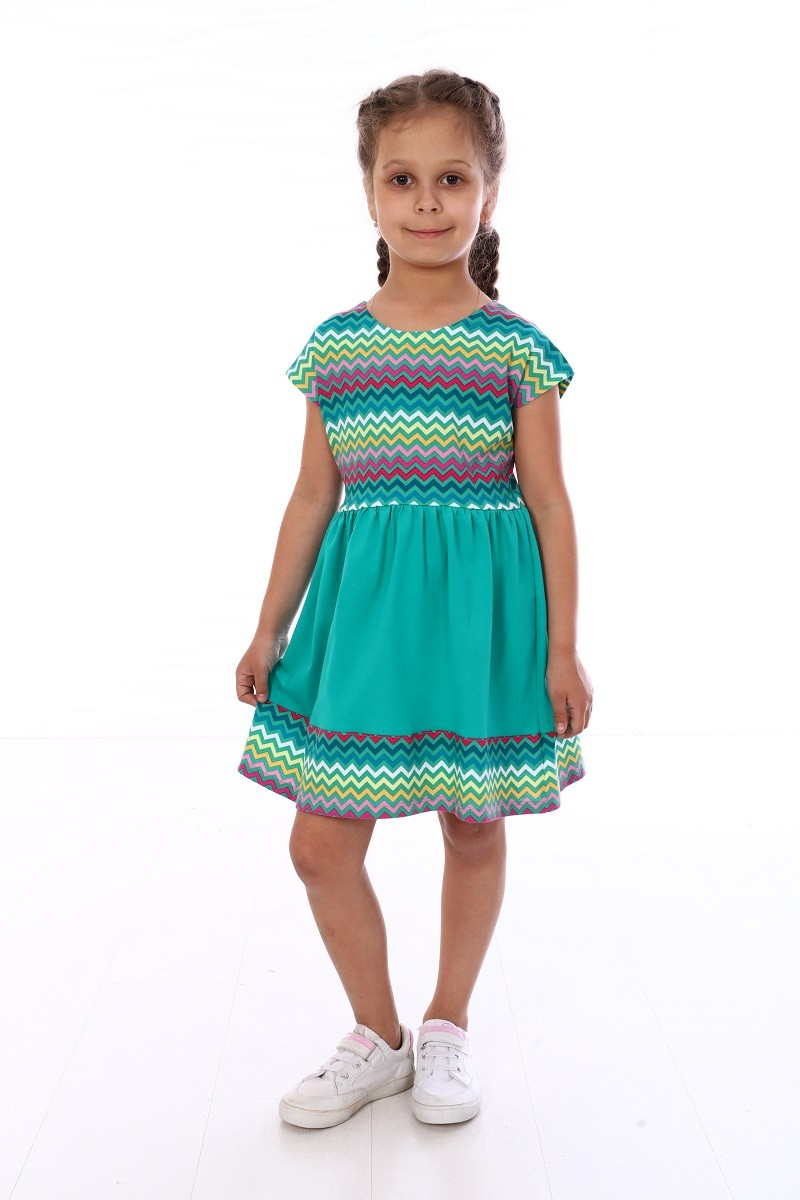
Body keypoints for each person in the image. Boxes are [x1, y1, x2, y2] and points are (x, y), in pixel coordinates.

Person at [235, 68, 593, 1130]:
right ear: (368, 193)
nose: (427, 202)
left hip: (479, 630)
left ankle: (447, 1026)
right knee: (319, 844)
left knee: (471, 829)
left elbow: (550, 502)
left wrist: (561, 647)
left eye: (452, 178)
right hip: (362, 630)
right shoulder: (337, 347)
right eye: (402, 179)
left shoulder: (515, 349)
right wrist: (268, 626)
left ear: (489, 192)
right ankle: (377, 1037)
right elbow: (312, 495)